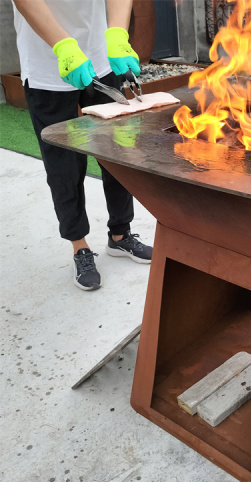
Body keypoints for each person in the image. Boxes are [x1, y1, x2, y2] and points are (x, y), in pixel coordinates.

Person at [11, 0, 153, 291]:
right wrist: (63, 45)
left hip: (102, 58)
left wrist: (117, 34)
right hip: (47, 66)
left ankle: (120, 235)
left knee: (119, 150)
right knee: (63, 164)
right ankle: (80, 246)